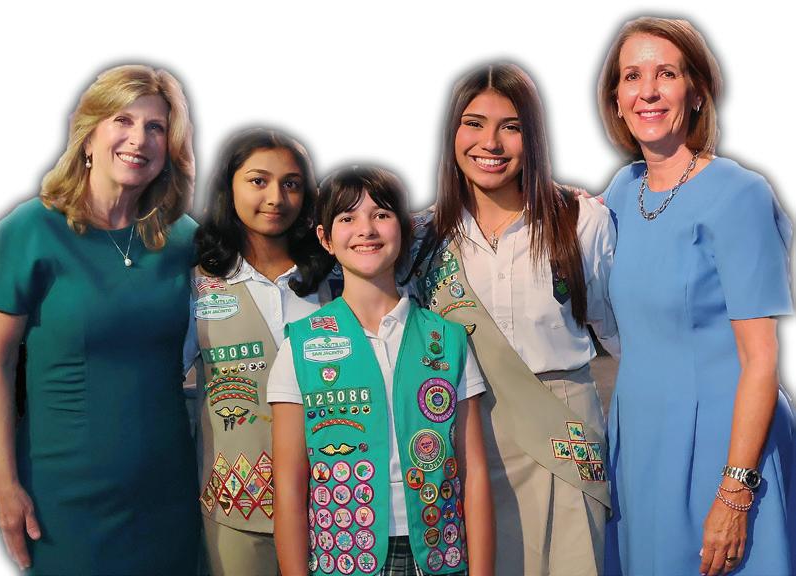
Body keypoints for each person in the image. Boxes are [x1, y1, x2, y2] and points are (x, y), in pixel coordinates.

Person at [0, 64, 200, 575]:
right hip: (63, 497)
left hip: (167, 489)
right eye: (123, 120)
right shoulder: (29, 230)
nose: (138, 139)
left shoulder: (185, 238)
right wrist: (3, 483)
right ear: (88, 134)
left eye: (156, 127)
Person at [597, 17, 795, 575]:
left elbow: (761, 360)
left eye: (666, 74)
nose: (648, 91)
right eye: (632, 76)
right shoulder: (622, 192)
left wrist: (735, 491)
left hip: (724, 449)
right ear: (616, 100)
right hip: (640, 445)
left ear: (698, 91)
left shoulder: (739, 195)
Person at [407, 62, 618, 575]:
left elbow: (621, 334)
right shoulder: (422, 237)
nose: (491, 143)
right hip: (464, 437)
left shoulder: (580, 219)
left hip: (562, 429)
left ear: (534, 137)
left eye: (511, 126)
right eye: (474, 124)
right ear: (452, 132)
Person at [269, 166, 494, 575]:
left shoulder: (448, 340)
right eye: (347, 218)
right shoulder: (299, 346)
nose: (366, 229)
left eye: (381, 214)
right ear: (325, 238)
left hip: (439, 554)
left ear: (404, 230)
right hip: (341, 556)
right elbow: (288, 486)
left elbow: (474, 471)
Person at [189, 127, 333, 575]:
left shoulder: (334, 279)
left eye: (291, 184)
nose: (276, 198)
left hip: (335, 506)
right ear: (227, 186)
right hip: (235, 509)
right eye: (258, 181)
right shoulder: (197, 283)